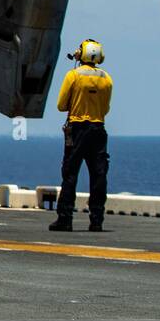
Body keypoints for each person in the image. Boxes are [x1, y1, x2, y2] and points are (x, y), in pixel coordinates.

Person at [51, 39, 112, 232]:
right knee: (99, 174)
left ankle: (65, 218)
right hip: (98, 130)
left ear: (81, 54)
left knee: (70, 173)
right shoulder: (106, 78)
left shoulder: (73, 76)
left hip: (78, 130)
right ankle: (97, 219)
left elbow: (61, 105)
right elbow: (106, 108)